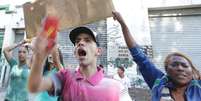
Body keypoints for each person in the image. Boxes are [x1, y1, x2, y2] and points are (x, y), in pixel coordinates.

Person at [112, 11, 201, 101]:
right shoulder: (158, 81)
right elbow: (138, 54)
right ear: (167, 70)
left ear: (192, 70)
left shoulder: (198, 89)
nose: (180, 68)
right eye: (174, 65)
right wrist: (123, 24)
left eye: (185, 66)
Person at [28, 25, 124, 100]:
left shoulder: (115, 85)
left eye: (87, 40)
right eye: (77, 41)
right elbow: (34, 86)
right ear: (75, 52)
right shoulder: (65, 77)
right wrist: (39, 56)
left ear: (98, 51)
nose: (80, 43)